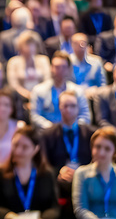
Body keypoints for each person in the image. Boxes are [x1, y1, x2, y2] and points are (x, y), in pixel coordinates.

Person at [41, 91, 94, 219]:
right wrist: (59, 171)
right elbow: (44, 163)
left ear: (78, 108)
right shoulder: (47, 134)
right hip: (59, 180)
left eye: (73, 106)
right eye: (65, 106)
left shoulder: (91, 133)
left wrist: (81, 172)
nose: (69, 109)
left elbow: (96, 160)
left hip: (86, 178)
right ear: (59, 108)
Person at [0, 126, 60, 219]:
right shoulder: (0, 174)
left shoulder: (47, 174)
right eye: (16, 145)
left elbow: (54, 207)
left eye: (25, 147)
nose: (18, 151)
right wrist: (10, 216)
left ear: (36, 149)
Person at [72, 127, 116, 219]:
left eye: (107, 149)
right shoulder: (81, 173)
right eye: (98, 147)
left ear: (115, 152)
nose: (101, 153)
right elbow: (80, 209)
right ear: (92, 148)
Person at [31, 51, 91, 129]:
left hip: (73, 133)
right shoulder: (38, 90)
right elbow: (35, 116)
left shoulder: (78, 91)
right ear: (51, 68)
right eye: (57, 67)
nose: (60, 70)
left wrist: (71, 128)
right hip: (47, 134)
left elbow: (85, 116)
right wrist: (53, 129)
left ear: (69, 69)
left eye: (63, 67)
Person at [7, 31, 51, 100]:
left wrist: (36, 95)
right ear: (20, 46)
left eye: (32, 44)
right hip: (20, 99)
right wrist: (28, 95)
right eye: (27, 44)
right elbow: (14, 85)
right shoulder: (13, 62)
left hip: (41, 97)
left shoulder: (43, 60)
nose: (30, 47)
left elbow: (47, 80)